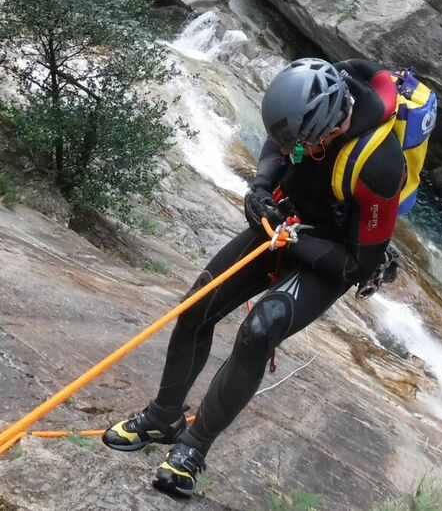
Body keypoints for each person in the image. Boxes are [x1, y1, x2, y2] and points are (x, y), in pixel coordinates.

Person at [102, 58, 405, 497]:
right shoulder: (308, 109)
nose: (296, 149)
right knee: (196, 308)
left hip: (330, 254)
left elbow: (357, 264)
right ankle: (162, 417)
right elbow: (280, 143)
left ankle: (193, 447)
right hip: (286, 224)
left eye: (306, 143)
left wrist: (293, 239)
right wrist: (260, 188)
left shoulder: (379, 164)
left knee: (259, 330)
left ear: (333, 126)